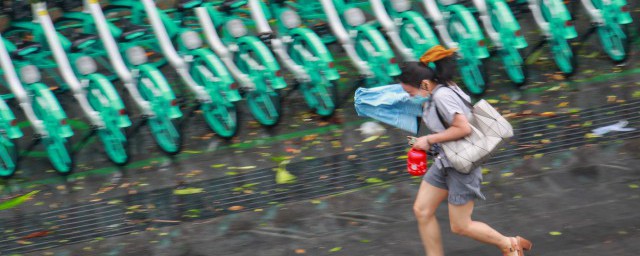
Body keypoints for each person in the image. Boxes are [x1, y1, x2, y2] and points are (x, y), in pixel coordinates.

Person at [399, 45, 532, 256]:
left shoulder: (442, 95)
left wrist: (429, 139)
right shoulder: (440, 88)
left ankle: (509, 244)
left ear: (424, 84)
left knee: (460, 226)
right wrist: (427, 143)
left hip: (462, 165)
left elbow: (463, 128)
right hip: (446, 160)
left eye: (410, 92)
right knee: (422, 211)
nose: (409, 96)